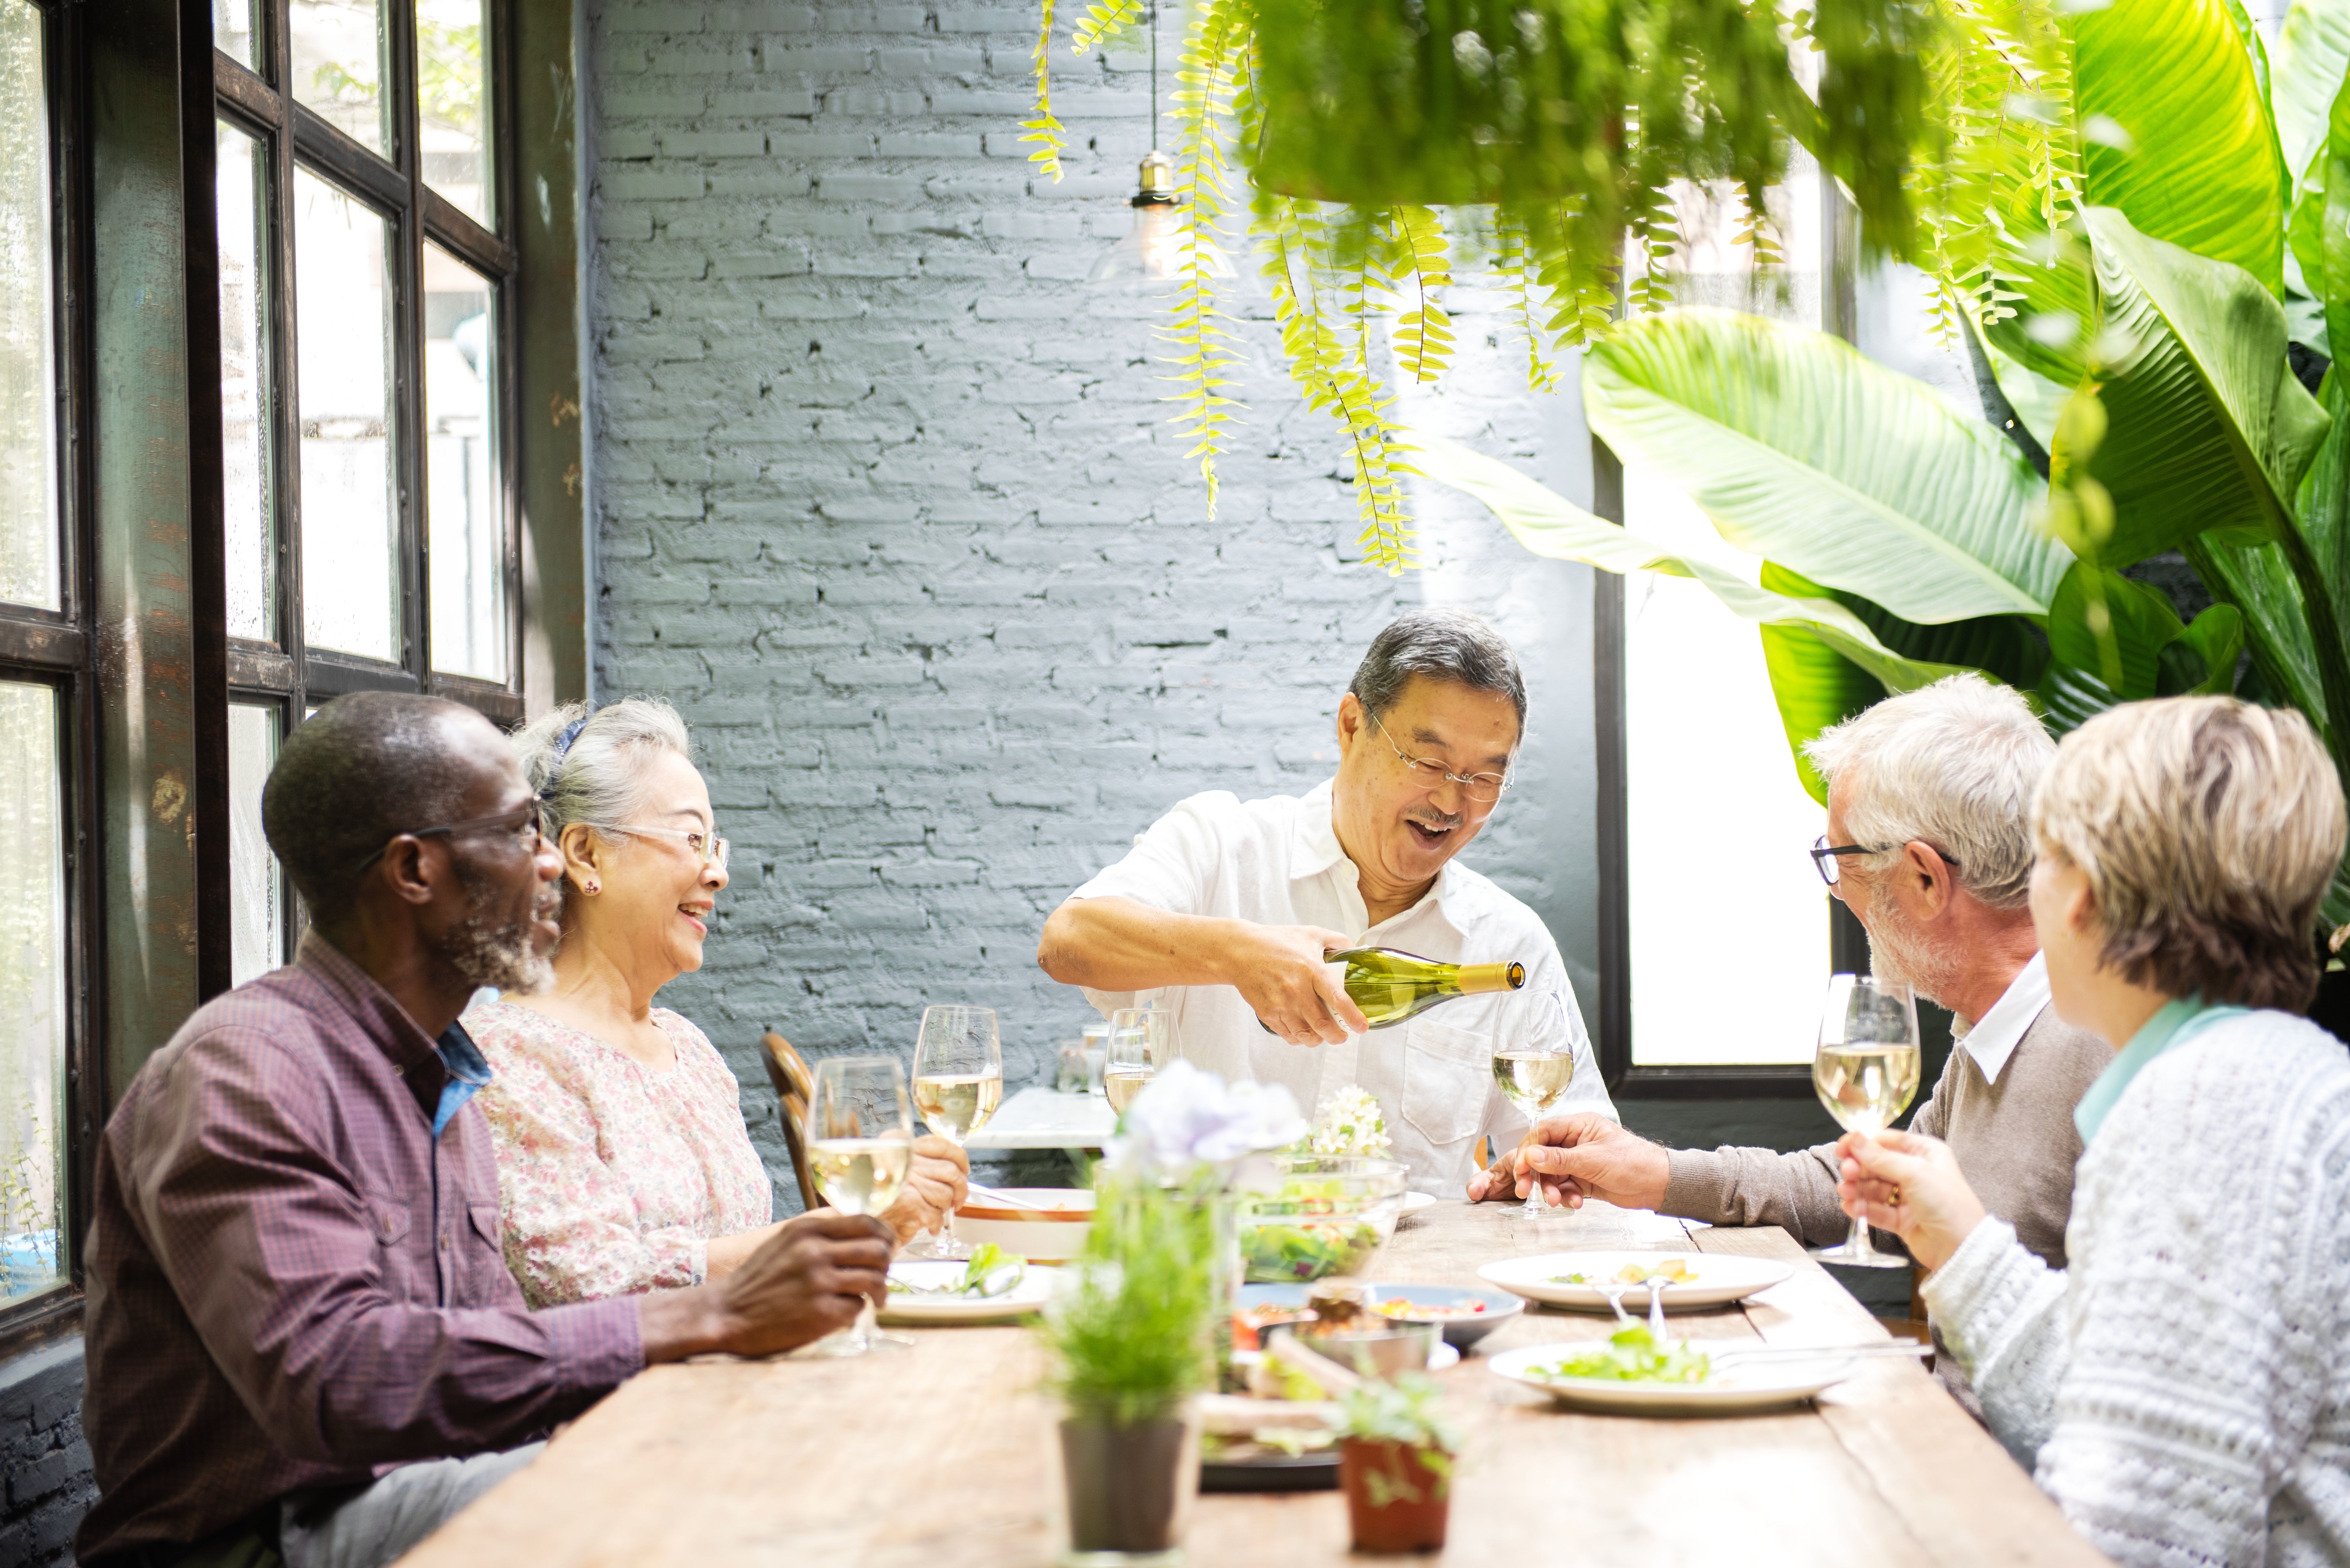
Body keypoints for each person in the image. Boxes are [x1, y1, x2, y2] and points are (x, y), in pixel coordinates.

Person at [78, 693, 897, 1568]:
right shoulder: (246, 1072)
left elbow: (496, 1365)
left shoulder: (446, 1077)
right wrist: (709, 1312)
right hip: (266, 1538)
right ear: (415, 869)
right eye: (517, 833)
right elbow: (336, 1379)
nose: (549, 862)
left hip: (435, 1483)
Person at [1483, 676, 2111, 1411]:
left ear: (1922, 877)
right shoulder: (1997, 1033)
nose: (1834, 887)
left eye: (1838, 856)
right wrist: (1652, 1172)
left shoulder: (2105, 1055)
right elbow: (1851, 1188)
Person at [1838, 696, 2350, 1566]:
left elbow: (2140, 1534)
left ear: (2082, 896)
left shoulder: (2202, 1108)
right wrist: (1967, 1248)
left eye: (2041, 859)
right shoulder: (2272, 1073)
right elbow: (2123, 1411)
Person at [1037, 609, 1614, 1190]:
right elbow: (1067, 942)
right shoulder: (1220, 847)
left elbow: (1577, 1155)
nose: (1450, 802)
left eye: (1484, 779)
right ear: (1351, 726)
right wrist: (1237, 953)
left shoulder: (1509, 941)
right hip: (1209, 1244)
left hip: (1413, 1254)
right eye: (1428, 762)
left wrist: (1536, 1182)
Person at [467, 698, 967, 1308]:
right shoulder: (508, 1057)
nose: (717, 873)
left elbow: (733, 1248)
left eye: (714, 846)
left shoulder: (686, 1046)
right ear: (586, 854)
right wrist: (842, 1232)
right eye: (691, 839)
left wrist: (859, 1225)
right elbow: (591, 1286)